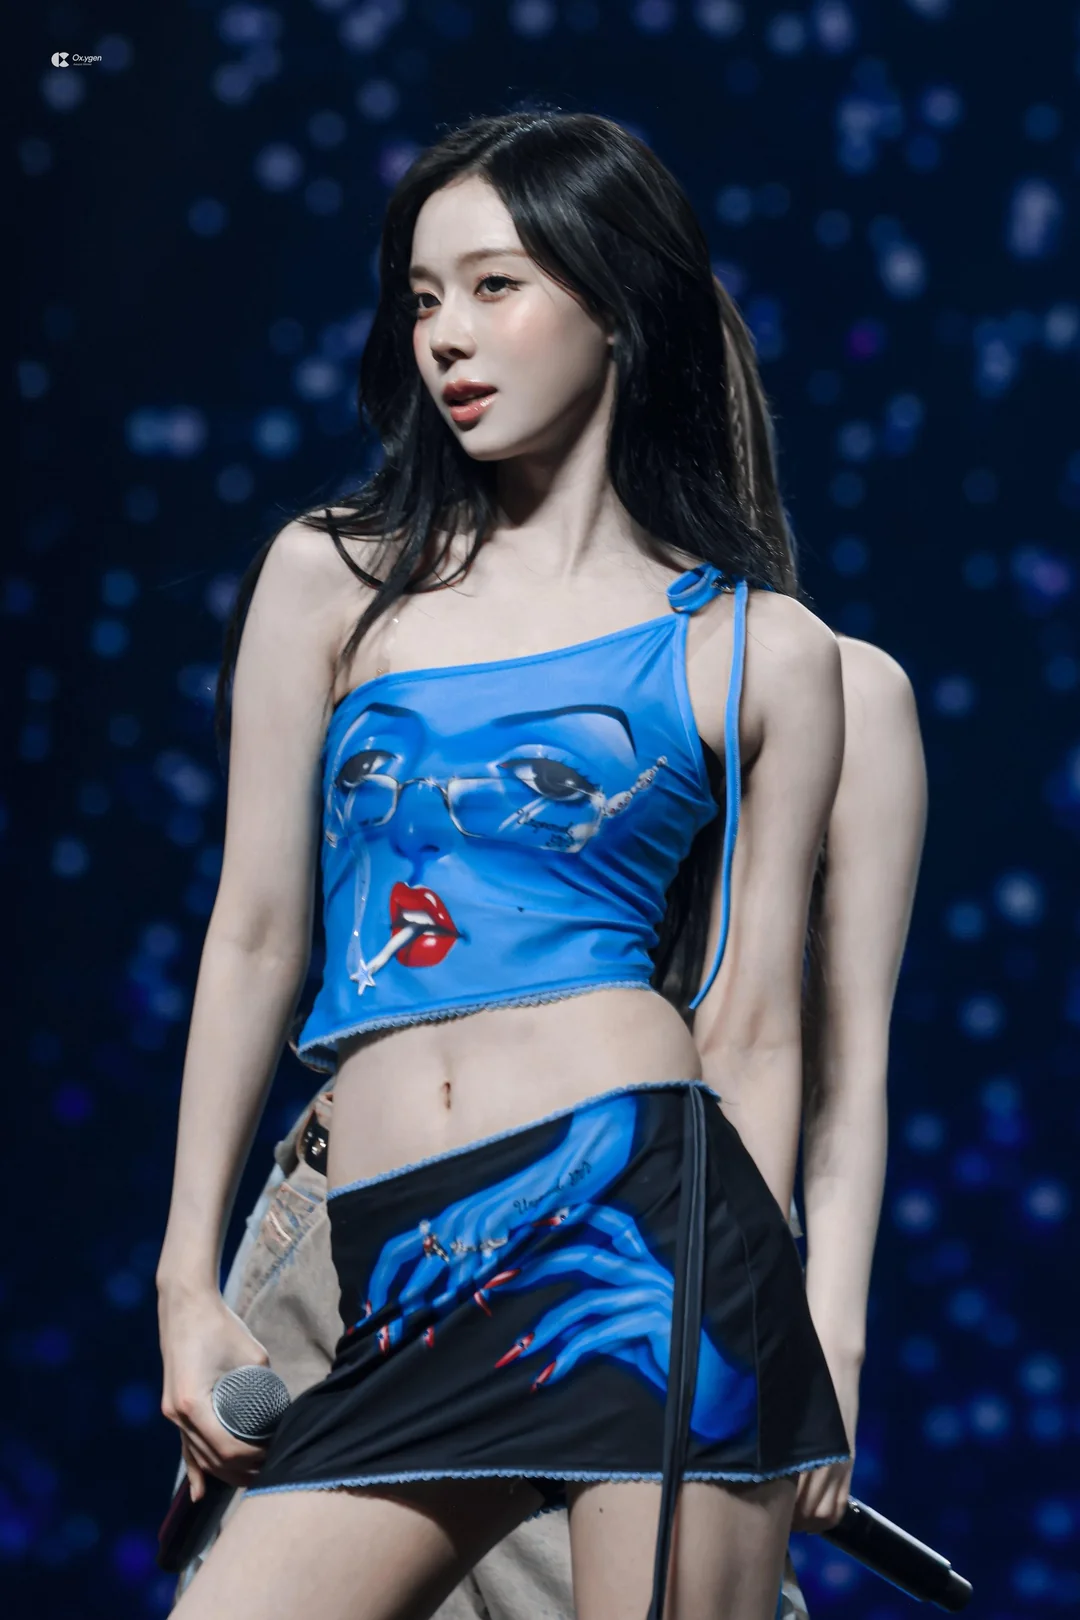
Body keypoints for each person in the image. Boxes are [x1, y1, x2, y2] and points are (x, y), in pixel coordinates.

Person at [155, 110, 922, 1620]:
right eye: (423, 297)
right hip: (396, 1262)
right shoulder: (336, 578)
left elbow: (761, 1033)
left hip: (639, 1240)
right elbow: (252, 935)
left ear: (617, 306)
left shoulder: (758, 650)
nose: (446, 334)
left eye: (494, 286)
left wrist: (794, 1343)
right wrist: (185, 1279)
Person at [167, 631, 927, 1619]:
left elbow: (840, 1070)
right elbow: (263, 930)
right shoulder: (410, 622)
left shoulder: (823, 679)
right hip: (350, 1230)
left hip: (622, 1273)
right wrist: (186, 1284)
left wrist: (827, 1351)